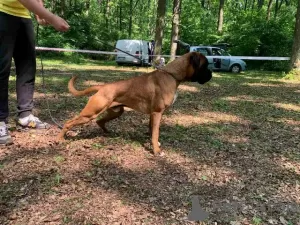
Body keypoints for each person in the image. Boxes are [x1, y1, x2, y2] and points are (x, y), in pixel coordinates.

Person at [0, 0, 70, 145]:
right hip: (2, 12)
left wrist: (39, 12)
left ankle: (26, 115)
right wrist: (51, 17)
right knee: (2, 70)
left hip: (24, 16)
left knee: (27, 68)